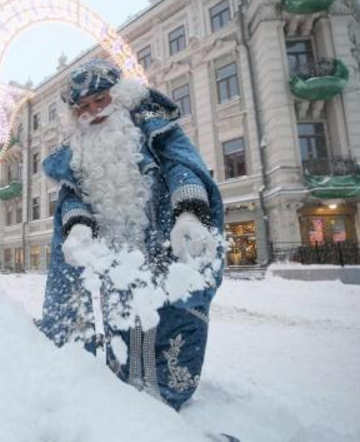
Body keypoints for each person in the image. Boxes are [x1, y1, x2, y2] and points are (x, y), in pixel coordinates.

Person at [40, 59, 224, 411]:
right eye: (84, 107)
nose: (93, 112)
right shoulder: (76, 154)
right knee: (122, 325)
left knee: (173, 323)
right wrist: (78, 227)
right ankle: (127, 401)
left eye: (100, 100)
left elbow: (183, 165)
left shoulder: (152, 130)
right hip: (116, 263)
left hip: (165, 253)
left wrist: (190, 213)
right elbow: (72, 197)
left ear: (119, 97)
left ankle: (166, 404)